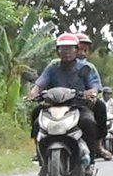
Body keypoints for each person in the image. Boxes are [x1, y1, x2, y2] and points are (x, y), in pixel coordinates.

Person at [28, 33, 108, 164]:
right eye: (63, 49)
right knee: (36, 117)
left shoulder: (86, 67)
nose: (67, 52)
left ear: (77, 49)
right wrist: (34, 92)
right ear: (58, 51)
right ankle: (38, 150)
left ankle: (95, 148)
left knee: (89, 122)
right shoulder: (53, 66)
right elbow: (40, 82)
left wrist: (90, 93)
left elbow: (94, 86)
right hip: (54, 104)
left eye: (70, 49)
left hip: (78, 105)